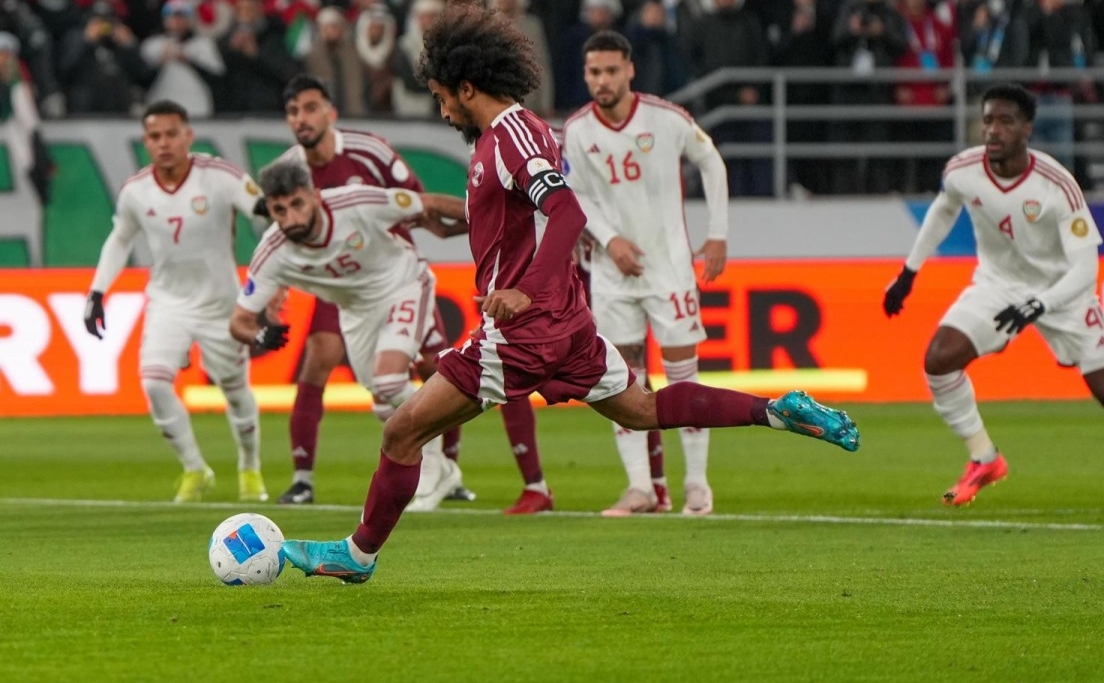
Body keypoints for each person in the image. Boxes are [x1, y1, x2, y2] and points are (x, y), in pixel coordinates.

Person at [278, 3, 860, 584]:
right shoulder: (523, 130)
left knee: (401, 431)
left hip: (526, 330)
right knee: (646, 409)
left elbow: (566, 211)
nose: (442, 107)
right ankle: (776, 412)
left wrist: (525, 292)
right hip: (569, 324)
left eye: (441, 96)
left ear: (467, 85)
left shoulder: (509, 138)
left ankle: (356, 556)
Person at [883, 83, 1104, 511]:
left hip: (1063, 291)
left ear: (1027, 128)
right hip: (998, 284)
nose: (993, 130)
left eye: (1005, 121)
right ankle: (984, 458)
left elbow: (1086, 268)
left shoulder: (1057, 186)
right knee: (938, 359)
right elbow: (944, 207)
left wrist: (1041, 304)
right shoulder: (963, 170)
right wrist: (909, 272)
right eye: (988, 119)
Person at [274, 74, 548, 514]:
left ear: (330, 112)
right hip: (340, 284)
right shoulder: (289, 172)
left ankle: (449, 471)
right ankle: (303, 478)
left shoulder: (369, 150)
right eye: (292, 112)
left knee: (440, 366)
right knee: (319, 360)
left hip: (394, 277)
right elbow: (277, 234)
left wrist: (475, 220)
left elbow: (418, 205)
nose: (301, 119)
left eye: (309, 108)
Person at [562, 30, 729, 517]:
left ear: (630, 70)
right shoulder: (576, 131)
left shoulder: (666, 118)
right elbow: (574, 197)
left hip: (670, 268)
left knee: (683, 375)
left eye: (612, 70)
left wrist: (717, 233)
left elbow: (711, 160)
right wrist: (610, 239)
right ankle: (641, 488)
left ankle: (697, 484)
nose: (603, 80)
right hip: (612, 274)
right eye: (594, 72)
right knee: (620, 381)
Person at [231, 161, 464, 509]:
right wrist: (259, 337)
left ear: (314, 195)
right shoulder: (273, 251)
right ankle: (439, 465)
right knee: (382, 401)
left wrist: (497, 212)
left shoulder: (355, 202)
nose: (291, 218)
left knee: (389, 382)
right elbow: (239, 320)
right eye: (280, 210)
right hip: (355, 312)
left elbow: (427, 203)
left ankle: (435, 465)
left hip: (403, 284)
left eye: (297, 204)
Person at [83, 100, 268, 504]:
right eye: (154, 136)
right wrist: (98, 291)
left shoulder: (219, 176)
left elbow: (262, 211)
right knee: (153, 382)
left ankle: (249, 468)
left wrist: (268, 284)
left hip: (222, 305)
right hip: (168, 303)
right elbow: (119, 240)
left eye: (171, 134)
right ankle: (194, 468)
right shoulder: (136, 191)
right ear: (146, 141)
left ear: (188, 135)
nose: (163, 143)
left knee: (236, 393)